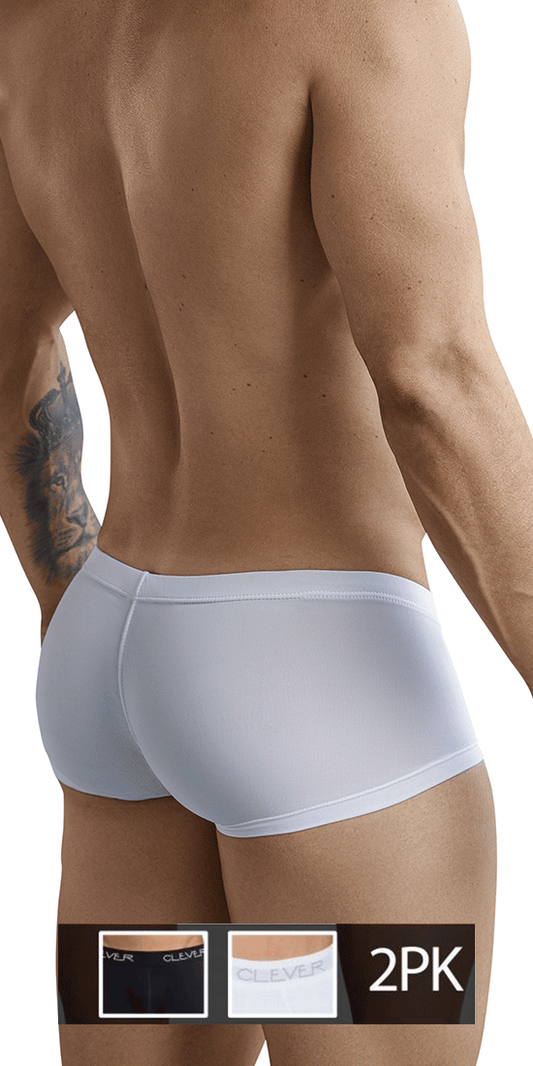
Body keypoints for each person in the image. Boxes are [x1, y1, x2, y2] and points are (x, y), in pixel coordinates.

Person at [0, 0, 530, 1063]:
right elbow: (430, 378)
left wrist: (70, 591)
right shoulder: (360, 14)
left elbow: (8, 340)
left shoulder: (33, 23)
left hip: (109, 660)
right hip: (315, 691)